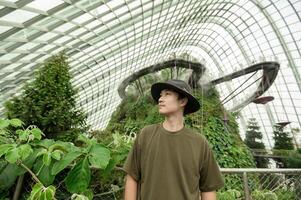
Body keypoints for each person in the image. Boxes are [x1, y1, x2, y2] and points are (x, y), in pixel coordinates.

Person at [122, 79, 224, 200]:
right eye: (160, 95)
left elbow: (208, 188)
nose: (160, 99)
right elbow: (132, 177)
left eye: (167, 94)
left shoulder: (199, 143)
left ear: (182, 101)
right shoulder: (146, 135)